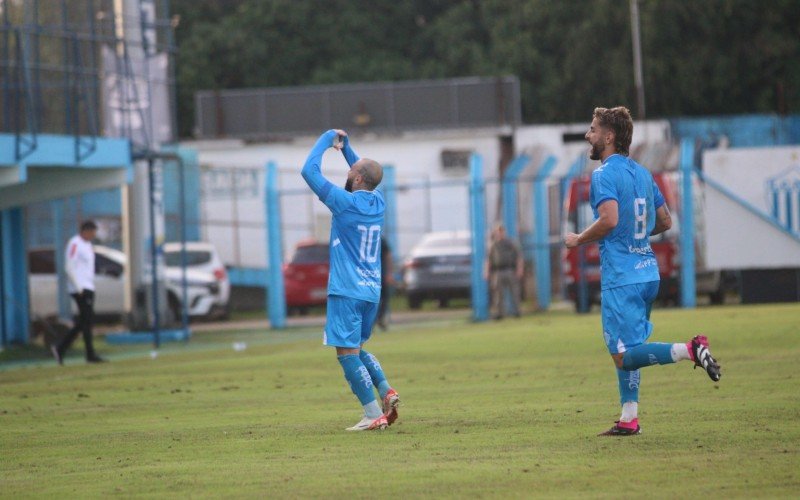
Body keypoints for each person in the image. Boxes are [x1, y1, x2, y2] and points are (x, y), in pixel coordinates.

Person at [564, 106, 720, 436]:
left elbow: (608, 219)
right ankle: (628, 418)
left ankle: (690, 349)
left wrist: (579, 239)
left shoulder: (603, 174)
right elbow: (664, 221)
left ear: (608, 137)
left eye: (593, 129)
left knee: (623, 355)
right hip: (647, 272)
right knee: (631, 345)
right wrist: (633, 236)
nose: (588, 135)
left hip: (622, 278)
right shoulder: (643, 174)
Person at [301, 129, 400, 431]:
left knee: (346, 354)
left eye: (351, 171)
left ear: (357, 179)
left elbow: (308, 170)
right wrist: (346, 148)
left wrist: (326, 138)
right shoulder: (379, 201)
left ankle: (372, 414)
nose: (348, 170)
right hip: (371, 291)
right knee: (356, 348)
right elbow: (367, 171)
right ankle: (386, 391)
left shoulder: (343, 202)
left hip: (346, 290)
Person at [51, 220, 105, 364]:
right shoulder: (75, 243)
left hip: (88, 286)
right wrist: (78, 287)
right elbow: (69, 266)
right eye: (92, 231)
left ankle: (85, 353)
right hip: (80, 288)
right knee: (85, 320)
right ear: (85, 231)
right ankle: (63, 348)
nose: (94, 235)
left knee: (85, 321)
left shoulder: (87, 245)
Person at [484, 223, 523, 319]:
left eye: (501, 231)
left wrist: (519, 269)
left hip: (509, 270)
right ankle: (499, 313)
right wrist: (486, 271)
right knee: (498, 294)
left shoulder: (511, 243)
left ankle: (516, 312)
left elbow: (519, 257)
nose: (500, 233)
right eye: (498, 231)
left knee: (514, 292)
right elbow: (488, 259)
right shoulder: (493, 245)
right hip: (497, 271)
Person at [376, 237, 394, 330]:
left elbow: (388, 256)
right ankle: (372, 320)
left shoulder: (381, 240)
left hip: (382, 274)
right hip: (371, 276)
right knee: (373, 299)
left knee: (385, 298)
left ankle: (380, 319)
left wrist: (389, 273)